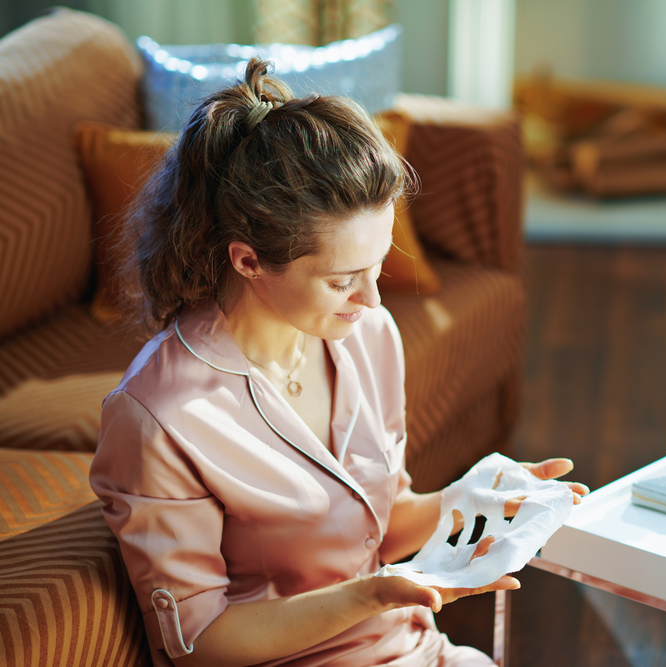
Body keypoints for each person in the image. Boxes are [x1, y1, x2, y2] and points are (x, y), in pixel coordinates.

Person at [89, 58, 587, 667]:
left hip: (411, 646)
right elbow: (200, 643)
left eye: (378, 267)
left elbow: (378, 520)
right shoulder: (160, 418)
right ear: (247, 261)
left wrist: (469, 501)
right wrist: (371, 595)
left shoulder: (368, 333)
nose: (374, 299)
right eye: (342, 280)